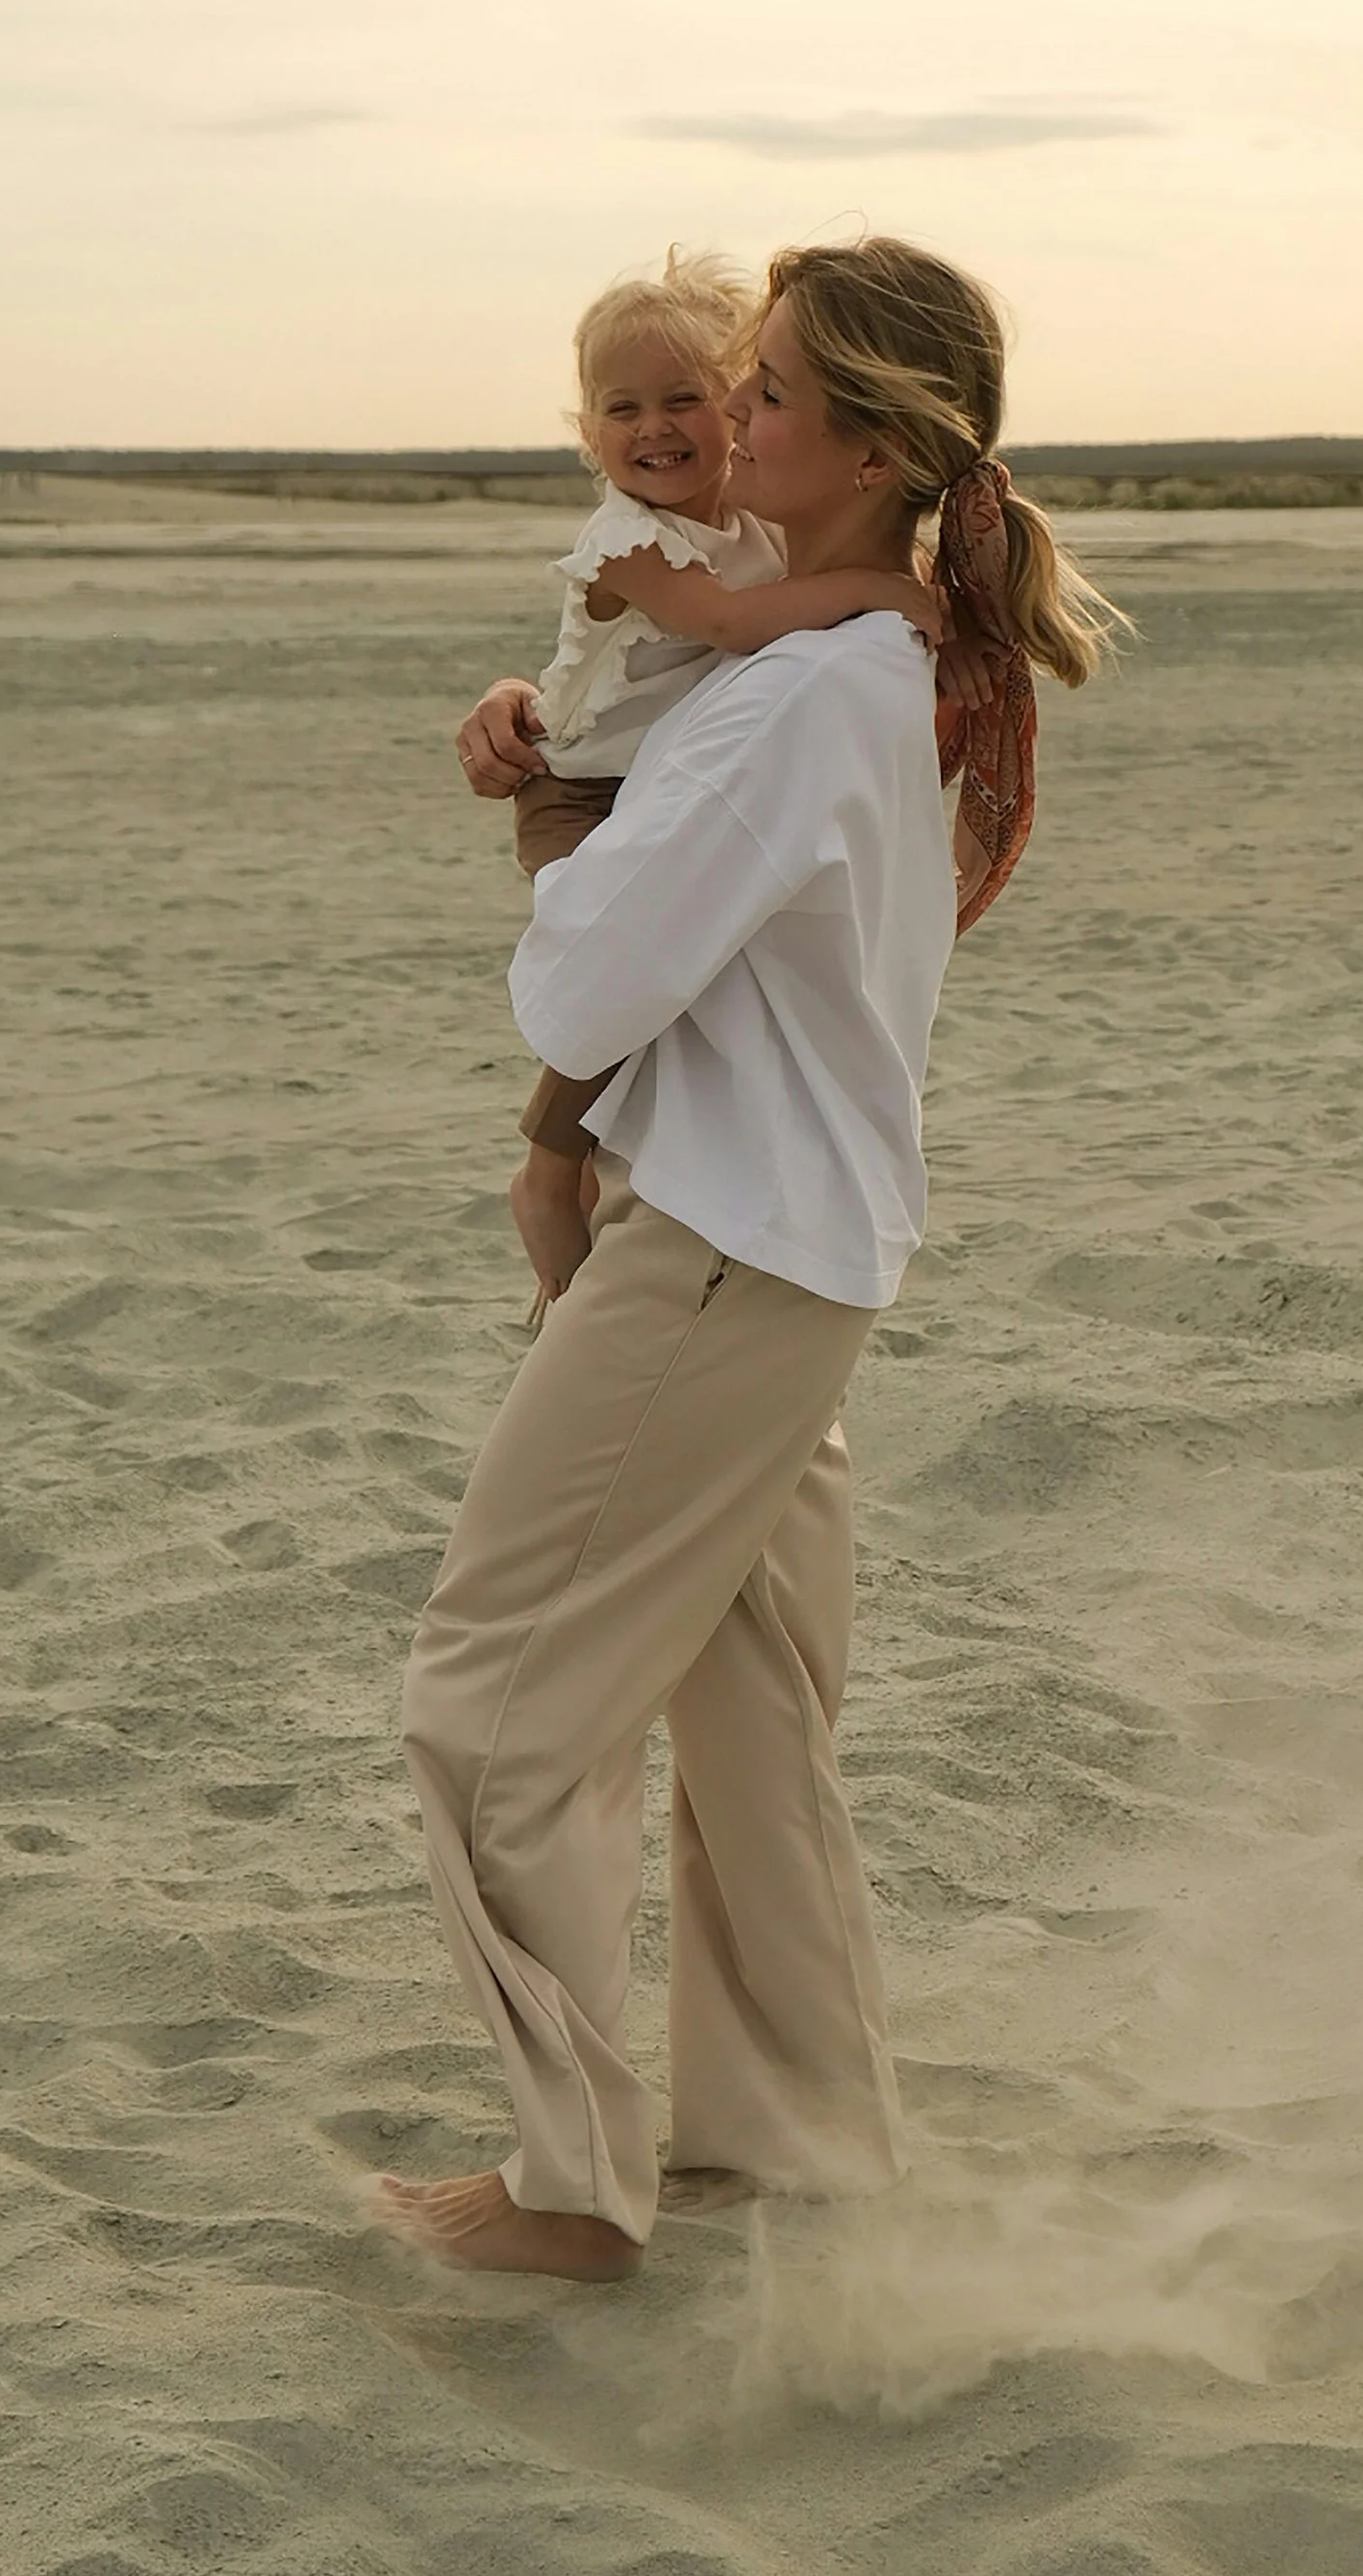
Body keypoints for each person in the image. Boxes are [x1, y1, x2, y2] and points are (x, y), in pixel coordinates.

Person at [378, 236, 1121, 2279]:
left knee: (487, 1702)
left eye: (770, 387)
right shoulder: (830, 667)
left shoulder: (801, 693)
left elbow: (583, 983)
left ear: (873, 447)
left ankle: (565, 2191)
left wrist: (548, 844)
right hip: (795, 1242)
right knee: (749, 1719)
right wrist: (549, 751)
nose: (725, 410)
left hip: (715, 1246)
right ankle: (795, 2153)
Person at [489, 248, 943, 1312]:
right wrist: (888, 587)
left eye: (690, 397)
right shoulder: (626, 540)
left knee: (659, 976)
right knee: (625, 970)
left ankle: (582, 1176)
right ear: (586, 433)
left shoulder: (740, 522)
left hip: (642, 774)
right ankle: (547, 1170)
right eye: (622, 408)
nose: (657, 428)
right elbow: (731, 626)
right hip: (578, 788)